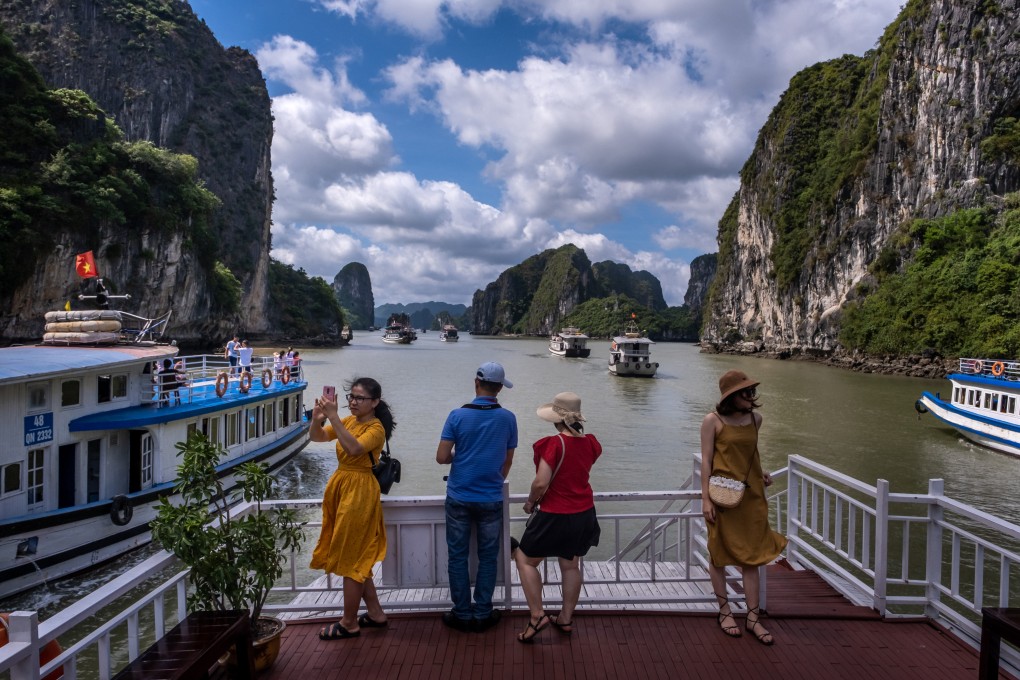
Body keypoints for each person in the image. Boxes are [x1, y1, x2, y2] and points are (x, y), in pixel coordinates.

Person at [700, 370, 787, 646]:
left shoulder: (755, 419)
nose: (751, 396)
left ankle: (752, 617)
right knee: (719, 554)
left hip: (751, 496)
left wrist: (762, 473)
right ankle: (724, 611)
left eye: (752, 392)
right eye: (745, 392)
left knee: (752, 557)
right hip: (722, 498)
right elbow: (706, 461)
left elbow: (751, 454)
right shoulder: (712, 421)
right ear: (730, 397)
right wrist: (705, 498)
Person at [310, 377, 396, 639]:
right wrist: (317, 418)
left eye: (359, 398)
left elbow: (354, 447)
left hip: (359, 492)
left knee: (351, 558)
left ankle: (349, 622)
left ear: (374, 402)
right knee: (356, 555)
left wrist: (334, 416)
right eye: (351, 397)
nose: (353, 402)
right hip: (343, 487)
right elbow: (319, 436)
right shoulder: (348, 421)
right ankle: (376, 613)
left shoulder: (376, 428)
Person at [513, 392, 602, 643]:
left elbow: (541, 482)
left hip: (555, 514)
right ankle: (565, 617)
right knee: (570, 565)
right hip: (583, 513)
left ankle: (537, 615)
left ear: (557, 419)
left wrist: (530, 502)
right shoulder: (592, 443)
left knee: (525, 560)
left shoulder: (553, 444)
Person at [436, 362, 518, 632]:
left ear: (476, 383)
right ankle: (483, 611)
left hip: (459, 495)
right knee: (488, 556)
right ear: (499, 389)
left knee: (457, 556)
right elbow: (507, 463)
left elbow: (441, 457)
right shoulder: (508, 419)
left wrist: (463, 457)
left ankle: (461, 613)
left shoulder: (456, 416)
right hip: (491, 497)